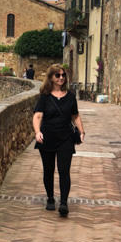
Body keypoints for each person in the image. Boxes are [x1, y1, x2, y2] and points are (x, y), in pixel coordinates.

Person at [32, 64, 85, 217]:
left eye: (63, 75)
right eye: (57, 75)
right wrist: (37, 132)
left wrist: (82, 131)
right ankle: (50, 198)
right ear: (51, 78)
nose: (61, 78)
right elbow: (37, 116)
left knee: (64, 171)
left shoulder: (70, 96)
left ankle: (63, 203)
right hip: (47, 137)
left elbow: (75, 115)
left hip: (65, 138)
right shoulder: (45, 96)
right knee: (48, 170)